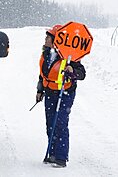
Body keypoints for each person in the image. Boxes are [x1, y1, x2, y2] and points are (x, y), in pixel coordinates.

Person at [36, 24, 86, 168]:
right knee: (50, 124)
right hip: (50, 93)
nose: (45, 39)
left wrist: (72, 71)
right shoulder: (46, 54)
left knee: (61, 123)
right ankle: (51, 154)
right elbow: (42, 75)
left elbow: (82, 74)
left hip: (65, 93)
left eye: (48, 37)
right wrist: (40, 90)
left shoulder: (70, 57)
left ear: (56, 40)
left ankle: (61, 157)